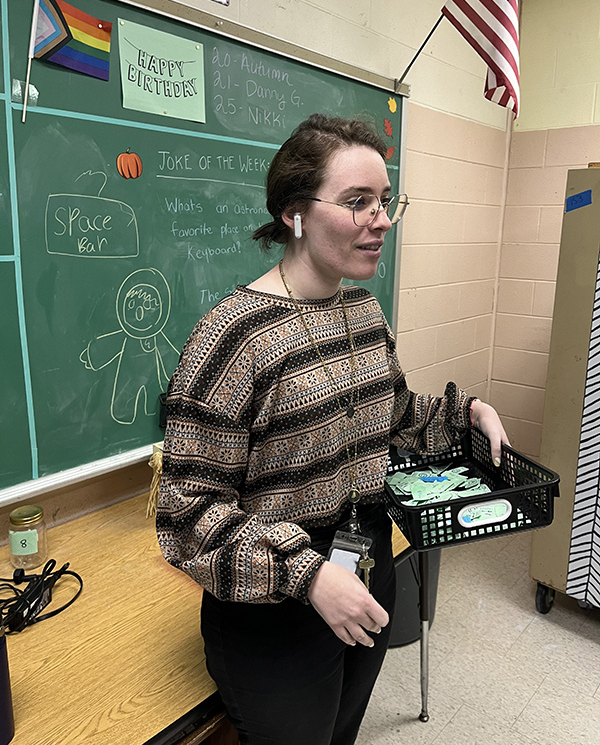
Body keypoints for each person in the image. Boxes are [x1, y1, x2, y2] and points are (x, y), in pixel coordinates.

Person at [156, 113, 509, 745]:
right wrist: (310, 574)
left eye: (384, 201)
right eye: (357, 202)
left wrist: (468, 414)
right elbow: (187, 516)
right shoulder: (235, 338)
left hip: (367, 560)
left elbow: (394, 415)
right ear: (295, 212)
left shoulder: (362, 310)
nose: (381, 221)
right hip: (276, 605)